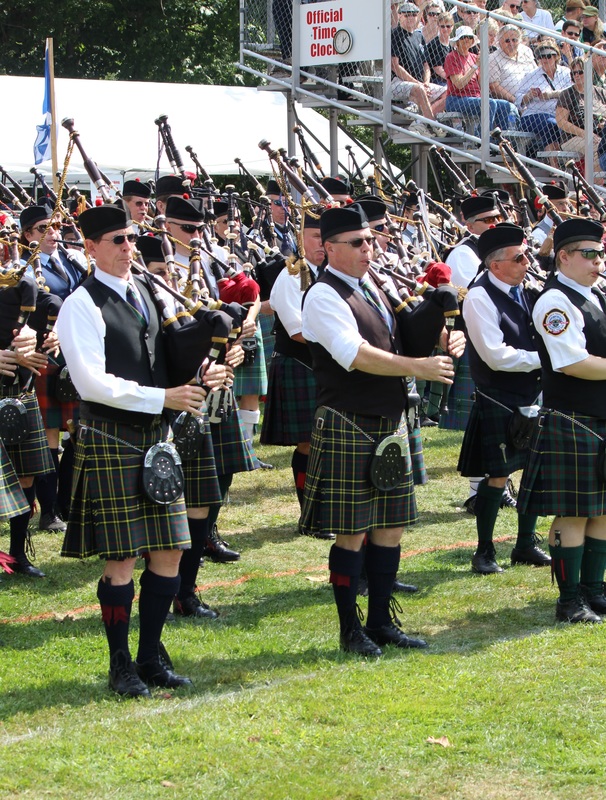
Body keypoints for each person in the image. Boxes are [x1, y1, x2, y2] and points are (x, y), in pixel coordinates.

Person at [300, 204, 465, 655]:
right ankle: (349, 629)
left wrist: (441, 331)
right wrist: (419, 367)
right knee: (352, 531)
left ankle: (380, 622)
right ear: (329, 248)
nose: (367, 249)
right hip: (348, 421)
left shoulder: (371, 283)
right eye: (356, 243)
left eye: (370, 240)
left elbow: (398, 336)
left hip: (387, 421)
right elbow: (354, 354)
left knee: (390, 526)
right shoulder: (322, 296)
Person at [56, 204, 206, 697]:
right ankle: (120, 663)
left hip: (155, 439)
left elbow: (161, 360)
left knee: (170, 551)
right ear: (91, 247)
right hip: (111, 439)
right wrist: (161, 398)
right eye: (117, 240)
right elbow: (90, 383)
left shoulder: (144, 292)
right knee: (121, 559)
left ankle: (150, 656)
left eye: (131, 238)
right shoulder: (81, 303)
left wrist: (202, 370)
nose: (127, 248)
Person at [518, 218, 606, 623]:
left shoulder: (594, 295)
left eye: (600, 253)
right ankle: (569, 600)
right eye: (588, 254)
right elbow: (572, 362)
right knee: (573, 512)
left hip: (599, 417)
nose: (597, 261)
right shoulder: (555, 302)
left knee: (602, 509)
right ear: (564, 257)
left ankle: (594, 589)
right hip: (573, 419)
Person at [458, 223, 550, 573]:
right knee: (497, 476)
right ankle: (484, 551)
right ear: (495, 265)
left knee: (533, 472)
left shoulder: (524, 289)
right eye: (519, 258)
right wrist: (545, 360)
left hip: (532, 394)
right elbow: (496, 354)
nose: (527, 262)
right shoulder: (479, 297)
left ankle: (525, 545)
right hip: (499, 398)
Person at [19, 203, 88, 532]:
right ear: (28, 235)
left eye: (57, 227)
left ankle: (66, 501)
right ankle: (49, 512)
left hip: (73, 352)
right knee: (48, 437)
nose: (53, 234)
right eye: (44, 228)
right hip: (43, 355)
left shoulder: (69, 261)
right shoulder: (22, 268)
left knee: (78, 429)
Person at [444, 27, 520, 134]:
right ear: (457, 41)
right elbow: (459, 84)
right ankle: (482, 140)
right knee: (489, 104)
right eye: (463, 37)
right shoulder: (452, 57)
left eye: (469, 37)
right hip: (457, 99)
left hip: (476, 98)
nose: (467, 40)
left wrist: (483, 65)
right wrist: (475, 66)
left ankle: (502, 142)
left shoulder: (474, 57)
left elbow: (481, 84)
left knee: (505, 106)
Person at [391, 2, 447, 134]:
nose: (411, 18)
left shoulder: (419, 35)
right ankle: (432, 124)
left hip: (420, 84)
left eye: (414, 15)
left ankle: (421, 122)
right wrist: (417, 83)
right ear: (399, 16)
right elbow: (395, 66)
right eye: (407, 15)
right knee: (419, 89)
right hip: (397, 83)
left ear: (419, 16)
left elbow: (426, 65)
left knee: (449, 91)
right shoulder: (394, 34)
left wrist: (426, 82)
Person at [516, 41, 571, 159]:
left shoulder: (566, 73)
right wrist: (529, 95)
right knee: (551, 123)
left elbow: (573, 91)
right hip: (533, 115)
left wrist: (551, 95)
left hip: (560, 113)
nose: (545, 60)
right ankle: (554, 165)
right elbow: (518, 98)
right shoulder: (531, 75)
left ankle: (556, 164)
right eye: (541, 57)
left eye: (548, 56)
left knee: (554, 123)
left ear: (556, 56)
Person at [556, 57, 606, 178]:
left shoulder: (600, 92)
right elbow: (561, 122)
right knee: (595, 149)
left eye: (580, 72)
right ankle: (595, 187)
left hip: (600, 134)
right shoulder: (567, 94)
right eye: (574, 73)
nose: (576, 75)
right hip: (573, 137)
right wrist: (586, 134)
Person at [489, 24, 536, 104]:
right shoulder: (493, 58)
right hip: (510, 102)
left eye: (514, 40)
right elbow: (494, 87)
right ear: (499, 42)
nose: (511, 43)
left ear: (519, 40)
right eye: (507, 41)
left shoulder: (526, 51)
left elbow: (537, 73)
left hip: (534, 98)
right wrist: (517, 101)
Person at [425, 11, 454, 85]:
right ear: (438, 26)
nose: (445, 29)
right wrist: (453, 80)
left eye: (448, 26)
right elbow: (437, 69)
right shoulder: (434, 44)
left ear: (452, 26)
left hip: (450, 78)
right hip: (437, 80)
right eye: (442, 26)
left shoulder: (452, 44)